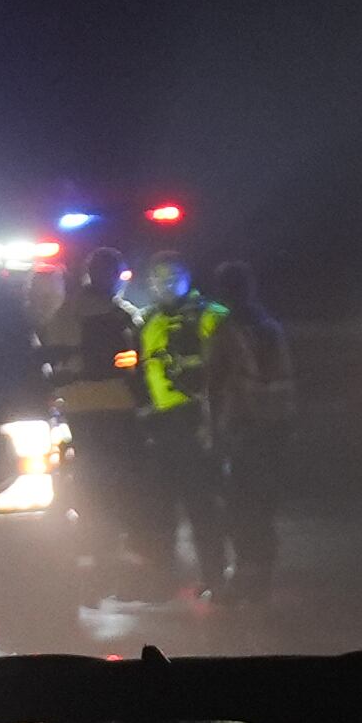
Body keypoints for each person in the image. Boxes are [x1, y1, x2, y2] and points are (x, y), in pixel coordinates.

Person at [50, 247, 153, 579]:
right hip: (117, 406)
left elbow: (55, 359)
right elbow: (136, 364)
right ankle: (121, 548)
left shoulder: (66, 312)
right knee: (122, 480)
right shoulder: (124, 315)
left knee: (91, 480)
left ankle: (96, 548)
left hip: (80, 409)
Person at [202, 259, 296, 602]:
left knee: (241, 504)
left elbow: (214, 383)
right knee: (262, 505)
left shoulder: (229, 330)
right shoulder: (268, 327)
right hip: (272, 428)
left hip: (242, 427)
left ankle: (246, 575)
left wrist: (214, 430)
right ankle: (261, 576)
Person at [135, 252, 229, 594]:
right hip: (163, 424)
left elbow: (225, 366)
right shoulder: (149, 321)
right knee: (159, 510)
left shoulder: (211, 316)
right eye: (158, 279)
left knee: (202, 505)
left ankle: (215, 578)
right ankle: (162, 581)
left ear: (188, 277)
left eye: (173, 277)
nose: (165, 284)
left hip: (199, 419)